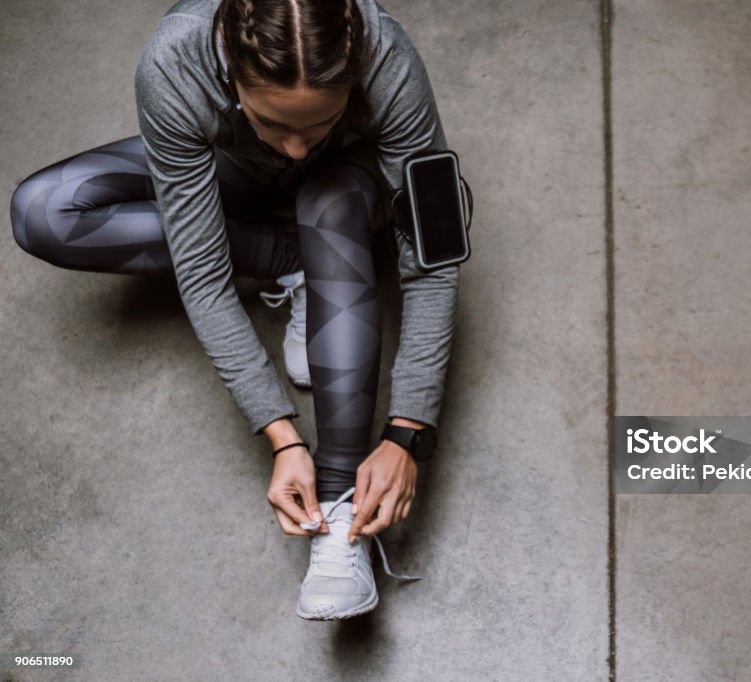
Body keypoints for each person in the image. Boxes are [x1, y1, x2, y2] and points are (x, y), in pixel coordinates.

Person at [9, 0, 460, 621]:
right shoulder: (177, 59)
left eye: (319, 122)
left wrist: (408, 430)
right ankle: (291, 261)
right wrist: (279, 434)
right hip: (234, 169)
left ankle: (337, 507)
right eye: (276, 123)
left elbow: (432, 262)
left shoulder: (386, 56)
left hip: (352, 188)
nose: (298, 148)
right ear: (230, 68)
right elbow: (203, 272)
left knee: (324, 192)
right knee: (46, 210)